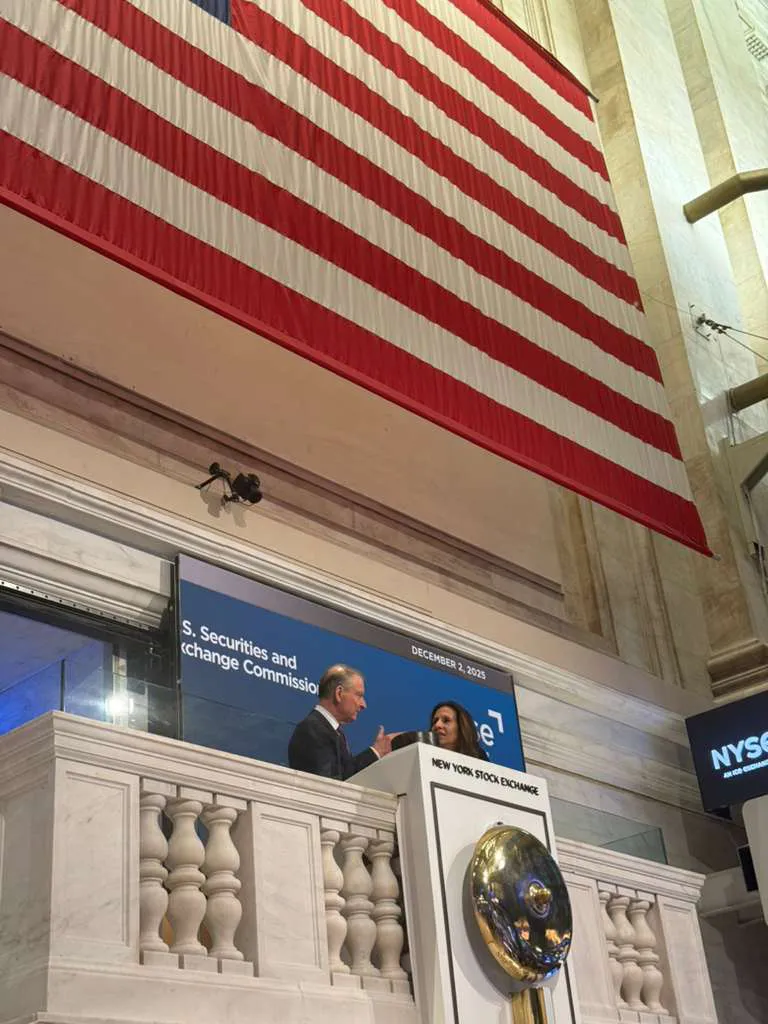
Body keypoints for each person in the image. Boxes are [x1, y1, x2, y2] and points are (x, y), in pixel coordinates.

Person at [288, 664, 392, 780]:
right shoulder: (312, 729)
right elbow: (331, 784)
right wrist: (376, 752)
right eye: (359, 695)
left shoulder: (334, 733)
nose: (363, 705)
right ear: (339, 693)